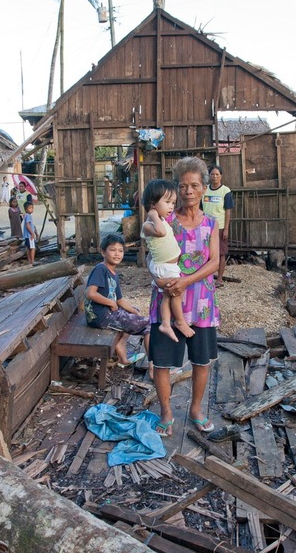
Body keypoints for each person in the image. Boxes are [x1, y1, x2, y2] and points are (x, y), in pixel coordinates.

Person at [150, 156, 225, 439]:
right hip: (167, 299)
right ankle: (166, 411)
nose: (188, 191)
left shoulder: (211, 223)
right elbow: (150, 253)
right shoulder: (165, 219)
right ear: (176, 189)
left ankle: (195, 409)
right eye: (182, 186)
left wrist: (186, 281)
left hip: (201, 303)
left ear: (205, 188)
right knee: (162, 362)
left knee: (201, 360)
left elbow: (214, 261)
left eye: (194, 185)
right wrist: (160, 279)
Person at [141, 178, 196, 343]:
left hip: (168, 267)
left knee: (168, 295)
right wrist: (152, 214)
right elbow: (161, 232)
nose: (171, 206)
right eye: (167, 202)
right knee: (176, 293)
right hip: (163, 267)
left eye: (173, 202)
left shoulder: (161, 220)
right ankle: (179, 321)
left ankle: (165, 323)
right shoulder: (149, 224)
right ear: (152, 204)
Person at [85, 233, 149, 366]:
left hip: (106, 314)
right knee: (150, 325)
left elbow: (119, 300)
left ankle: (121, 345)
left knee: (134, 311)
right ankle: (154, 367)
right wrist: (110, 302)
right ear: (103, 252)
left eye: (120, 251)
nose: (117, 254)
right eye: (113, 250)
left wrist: (135, 312)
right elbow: (90, 293)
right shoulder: (100, 269)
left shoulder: (114, 274)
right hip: (101, 316)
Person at [202, 164, 234, 280]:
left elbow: (228, 211)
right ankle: (206, 277)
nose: (214, 176)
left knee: (221, 253)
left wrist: (226, 229)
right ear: (209, 176)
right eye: (212, 174)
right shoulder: (204, 190)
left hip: (219, 227)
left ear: (221, 176)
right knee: (205, 252)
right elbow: (200, 208)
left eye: (217, 174)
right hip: (205, 227)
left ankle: (219, 279)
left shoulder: (225, 191)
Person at [22, 199, 39, 265]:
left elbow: (32, 226)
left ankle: (30, 261)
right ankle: (32, 261)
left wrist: (36, 233)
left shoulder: (26, 215)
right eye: (30, 208)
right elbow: (28, 225)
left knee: (28, 248)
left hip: (27, 235)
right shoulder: (28, 216)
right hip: (29, 236)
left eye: (32, 208)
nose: (31, 209)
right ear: (26, 209)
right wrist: (32, 233)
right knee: (33, 248)